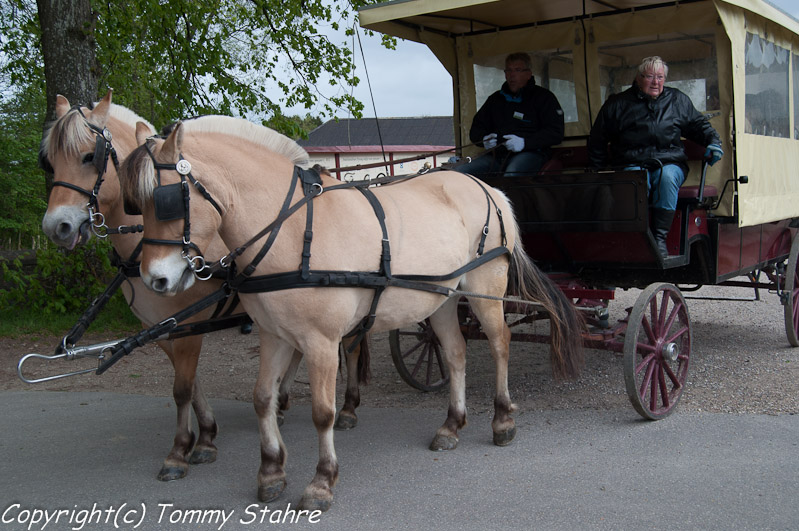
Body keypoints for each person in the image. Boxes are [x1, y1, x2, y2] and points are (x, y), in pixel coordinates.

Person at [588, 56, 723, 257]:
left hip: (670, 162)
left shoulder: (677, 100)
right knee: (634, 181)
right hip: (631, 163)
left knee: (667, 177)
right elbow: (597, 138)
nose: (655, 82)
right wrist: (597, 170)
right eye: (650, 76)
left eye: (660, 77)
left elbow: (698, 125)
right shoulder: (618, 104)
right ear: (638, 77)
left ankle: (659, 239)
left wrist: (714, 142)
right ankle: (636, 239)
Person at [458, 52, 565, 179]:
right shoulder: (495, 99)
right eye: (508, 70)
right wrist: (484, 139)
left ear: (528, 74)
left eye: (517, 70)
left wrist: (525, 143)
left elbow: (555, 133)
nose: (512, 75)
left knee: (511, 175)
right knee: (460, 172)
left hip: (531, 153)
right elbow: (476, 129)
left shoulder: (544, 98)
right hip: (496, 156)